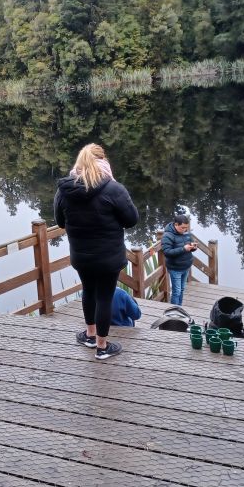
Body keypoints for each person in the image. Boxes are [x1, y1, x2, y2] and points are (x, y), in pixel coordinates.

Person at [55, 143, 139, 360]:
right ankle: (102, 347)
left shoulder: (64, 190)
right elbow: (131, 220)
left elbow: (59, 222)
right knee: (104, 297)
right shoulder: (113, 189)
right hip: (109, 257)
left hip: (81, 256)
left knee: (88, 292)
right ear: (103, 161)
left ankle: (90, 335)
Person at [161, 214, 196, 306]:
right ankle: (174, 311)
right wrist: (183, 249)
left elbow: (189, 245)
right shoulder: (167, 236)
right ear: (176, 224)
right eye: (182, 227)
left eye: (186, 228)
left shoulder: (187, 233)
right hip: (175, 268)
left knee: (182, 289)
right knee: (176, 291)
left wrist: (193, 247)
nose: (185, 230)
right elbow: (167, 252)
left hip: (186, 266)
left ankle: (179, 308)